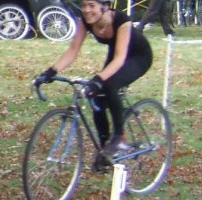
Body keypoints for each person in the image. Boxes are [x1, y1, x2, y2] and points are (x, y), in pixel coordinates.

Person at [36, 0, 153, 158]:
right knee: (96, 97)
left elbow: (119, 59)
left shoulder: (121, 20)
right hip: (117, 53)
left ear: (105, 6)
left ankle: (120, 137)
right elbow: (73, 49)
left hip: (138, 57)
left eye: (92, 5)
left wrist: (98, 80)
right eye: (84, 5)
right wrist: (51, 71)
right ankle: (105, 152)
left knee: (109, 84)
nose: (86, 10)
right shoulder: (85, 21)